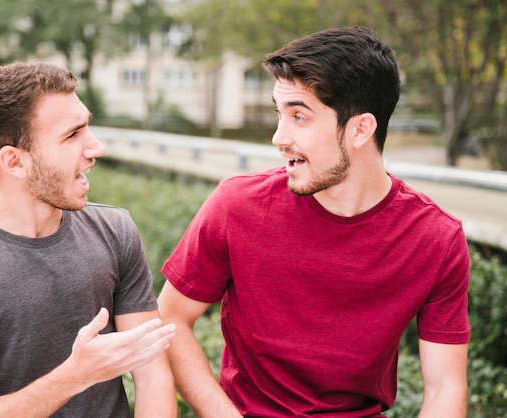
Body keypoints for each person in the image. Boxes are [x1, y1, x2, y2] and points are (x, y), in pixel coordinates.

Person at [158, 26, 470, 417]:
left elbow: (445, 388)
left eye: (299, 117)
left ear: (360, 129)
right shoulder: (236, 206)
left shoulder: (436, 239)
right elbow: (170, 320)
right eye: (279, 113)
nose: (278, 137)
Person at [0, 62, 177, 417]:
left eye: (88, 126)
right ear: (14, 162)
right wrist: (74, 376)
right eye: (72, 135)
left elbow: (151, 371)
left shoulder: (116, 231)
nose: (95, 147)